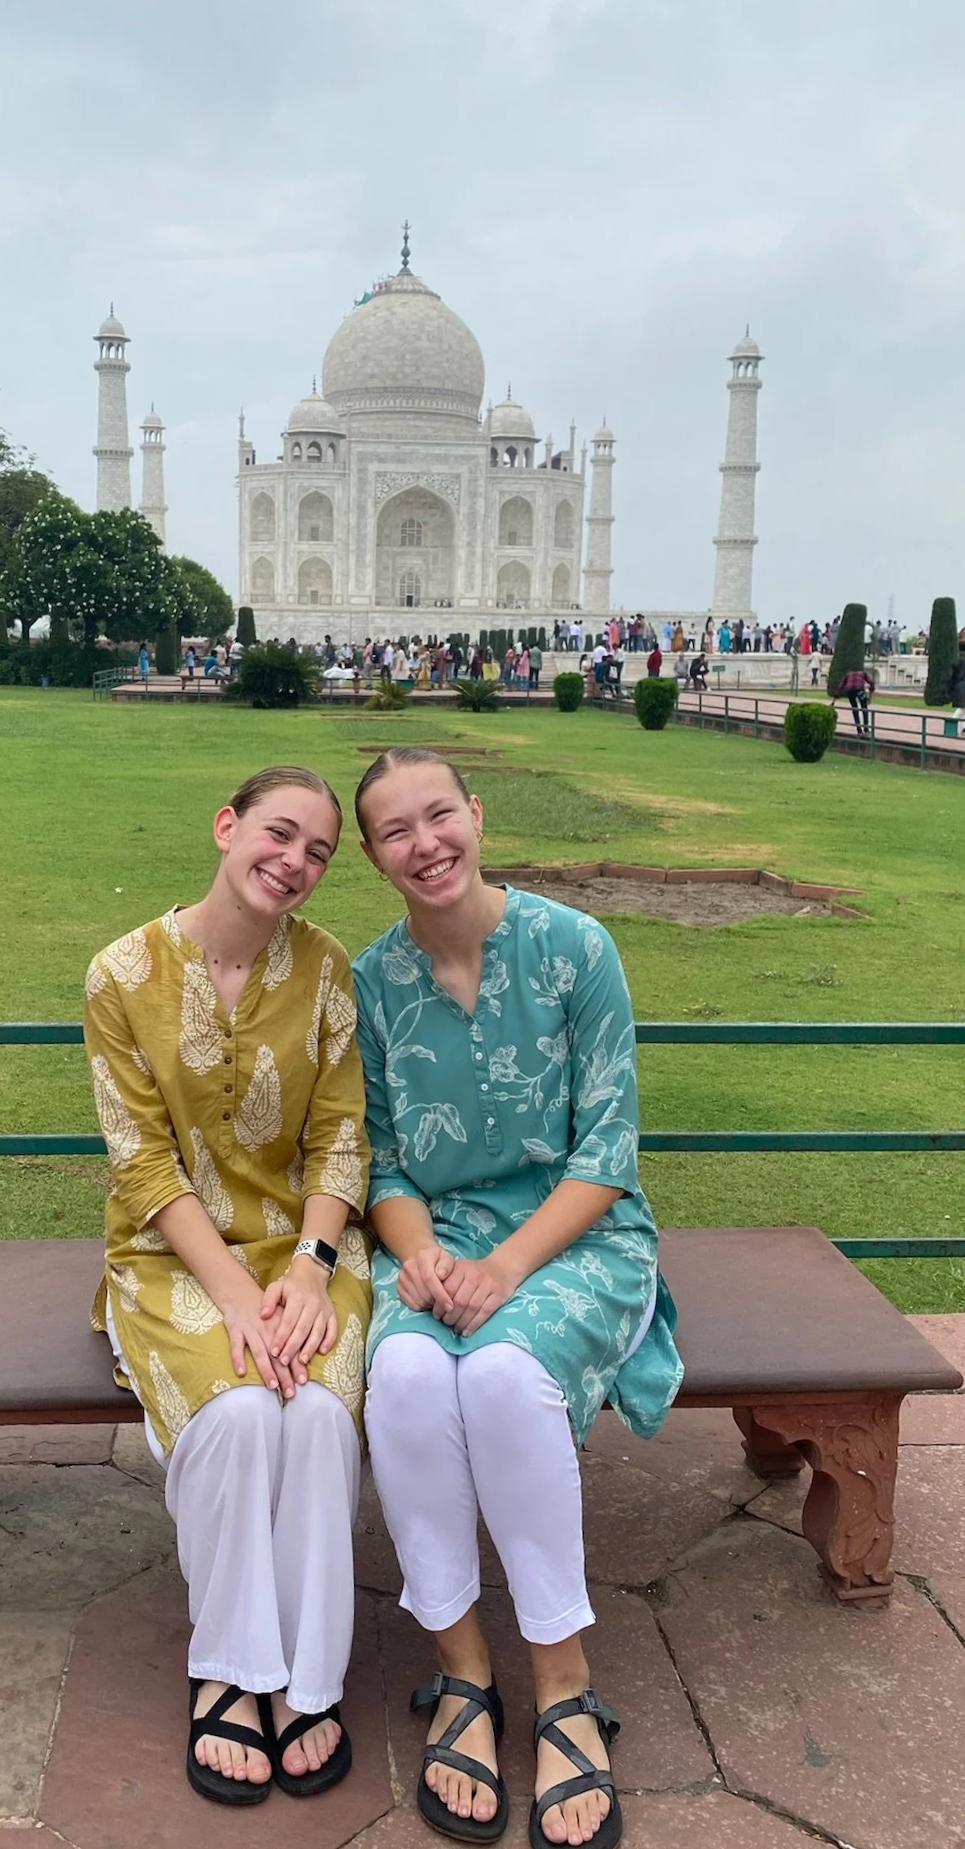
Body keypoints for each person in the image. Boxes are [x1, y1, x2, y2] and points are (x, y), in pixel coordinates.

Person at [351, 749, 682, 1849]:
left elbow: (609, 1147)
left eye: (439, 814)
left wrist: (506, 1270)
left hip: (576, 1234)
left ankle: (565, 1680)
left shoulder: (572, 948)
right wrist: (418, 1253)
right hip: (440, 1242)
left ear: (477, 816)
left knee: (498, 1373)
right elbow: (386, 1162)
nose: (424, 842)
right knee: (399, 1374)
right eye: (395, 828)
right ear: (371, 854)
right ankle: (461, 1674)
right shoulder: (373, 981)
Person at [84, 767, 372, 1806]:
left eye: (317, 852)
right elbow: (143, 1161)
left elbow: (343, 1134)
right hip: (172, 1258)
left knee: (316, 1416)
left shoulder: (329, 969)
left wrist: (306, 1268)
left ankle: (308, 1678)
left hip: (306, 1255)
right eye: (277, 834)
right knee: (243, 1410)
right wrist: (238, 1295)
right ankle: (231, 1666)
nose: (293, 862)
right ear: (226, 826)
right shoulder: (121, 974)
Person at [838, 664, 872, 735]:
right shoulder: (863, 673)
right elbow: (871, 682)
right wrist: (872, 689)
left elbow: (841, 684)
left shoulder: (848, 674)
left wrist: (837, 693)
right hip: (859, 690)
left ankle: (859, 730)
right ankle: (866, 729)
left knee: (855, 709)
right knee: (864, 708)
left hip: (850, 690)